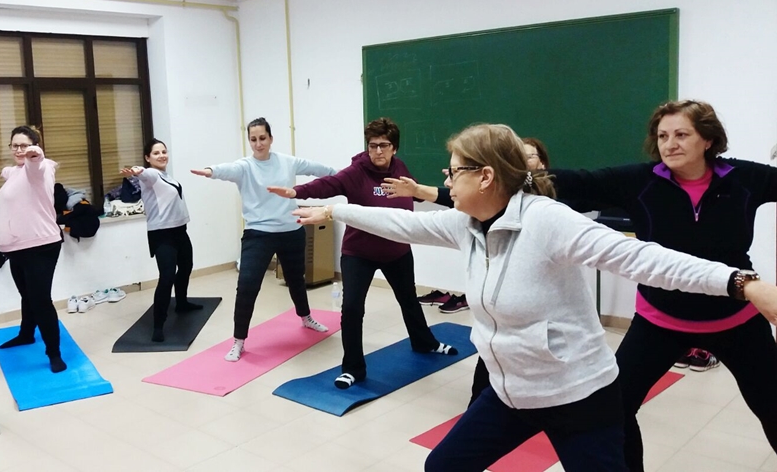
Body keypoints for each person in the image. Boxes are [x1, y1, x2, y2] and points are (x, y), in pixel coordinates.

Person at [293, 123, 777, 472]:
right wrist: (335, 209)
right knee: (443, 466)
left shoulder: (548, 219)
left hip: (581, 398)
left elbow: (647, 260)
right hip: (512, 395)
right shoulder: (466, 224)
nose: (445, 180)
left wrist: (742, 282)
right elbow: (404, 222)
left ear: (485, 177)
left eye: (453, 170)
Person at [550, 100, 777, 470]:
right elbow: (579, 182)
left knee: (773, 409)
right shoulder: (640, 181)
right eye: (663, 136)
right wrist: (518, 178)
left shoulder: (743, 179)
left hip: (736, 321)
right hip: (660, 321)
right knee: (615, 411)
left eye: (682, 134)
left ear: (707, 140)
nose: (670, 144)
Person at [268, 117, 459, 390]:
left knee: (409, 301)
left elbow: (415, 193)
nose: (378, 151)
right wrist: (296, 191)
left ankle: (424, 343)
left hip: (397, 250)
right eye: (373, 146)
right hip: (360, 253)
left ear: (394, 147)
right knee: (352, 309)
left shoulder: (400, 168)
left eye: (384, 145)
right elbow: (328, 185)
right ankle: (353, 369)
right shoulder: (356, 172)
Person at [381, 135, 552, 403]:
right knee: (484, 399)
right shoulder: (479, 215)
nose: (525, 162)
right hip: (497, 342)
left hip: (541, 343)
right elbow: (434, 208)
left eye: (530, 156)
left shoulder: (549, 215)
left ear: (542, 164)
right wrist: (336, 211)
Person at [191, 117, 335, 361]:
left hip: (291, 231)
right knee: (247, 286)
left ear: (270, 138)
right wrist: (210, 171)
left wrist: (342, 177)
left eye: (262, 138)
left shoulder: (286, 162)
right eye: (253, 139)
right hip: (258, 234)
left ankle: (306, 317)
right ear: (249, 141)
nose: (258, 144)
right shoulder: (245, 166)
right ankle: (239, 341)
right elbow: (227, 169)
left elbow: (316, 168)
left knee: (296, 280)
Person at [0, 126, 67, 373]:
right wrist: (11, 168)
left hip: (41, 245)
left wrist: (34, 155)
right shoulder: (15, 172)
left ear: (35, 146)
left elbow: (36, 166)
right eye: (14, 145)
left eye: (23, 145)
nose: (19, 150)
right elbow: (12, 171)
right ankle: (26, 334)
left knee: (40, 300)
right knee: (28, 295)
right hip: (18, 247)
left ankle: (54, 354)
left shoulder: (39, 169)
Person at [120, 138, 201, 343]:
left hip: (179, 230)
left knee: (186, 267)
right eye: (156, 153)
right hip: (162, 234)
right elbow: (143, 172)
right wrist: (137, 170)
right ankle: (158, 325)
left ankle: (181, 302)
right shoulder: (152, 175)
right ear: (148, 157)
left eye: (164, 151)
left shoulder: (166, 176)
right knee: (166, 276)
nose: (162, 155)